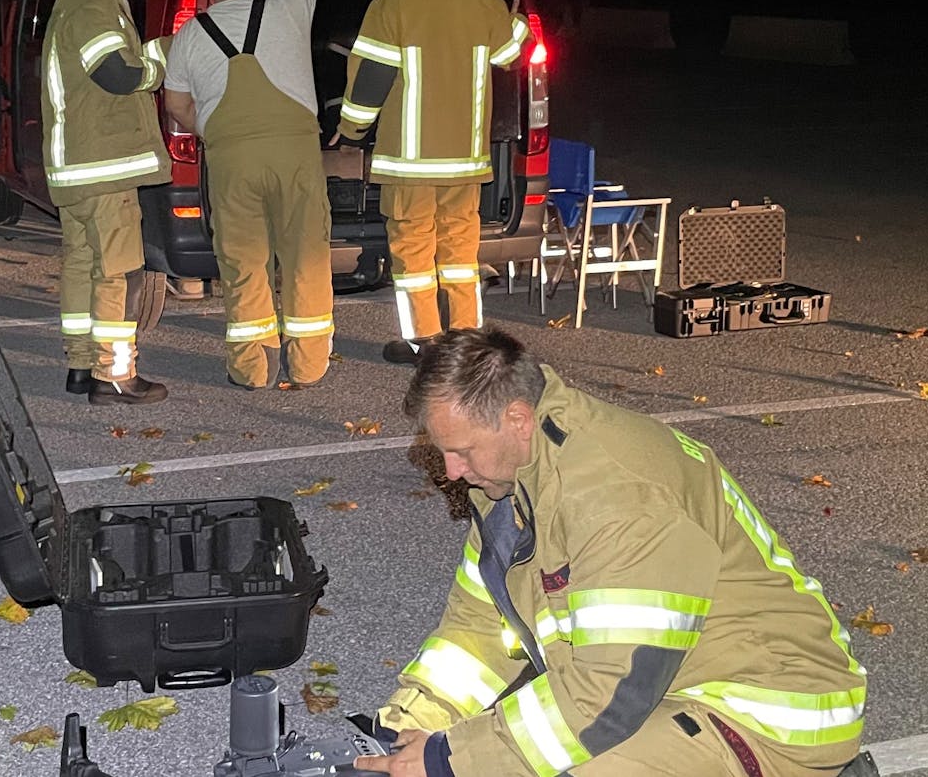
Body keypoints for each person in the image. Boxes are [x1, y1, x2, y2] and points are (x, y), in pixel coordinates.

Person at [355, 328, 868, 777]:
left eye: (461, 450)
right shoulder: (509, 484)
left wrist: (451, 759)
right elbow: (476, 630)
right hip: (662, 685)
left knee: (547, 762)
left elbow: (607, 692)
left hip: (769, 710)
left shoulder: (615, 497)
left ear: (516, 419)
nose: (450, 470)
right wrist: (406, 724)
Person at [334, 0, 530, 366]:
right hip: (465, 161)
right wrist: (515, 21)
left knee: (413, 251)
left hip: (409, 162)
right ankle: (467, 341)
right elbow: (510, 56)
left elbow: (372, 77)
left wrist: (350, 130)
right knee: (461, 253)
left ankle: (424, 341)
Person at [163, 0, 334, 389]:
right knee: (304, 256)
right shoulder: (285, 4)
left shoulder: (190, 36)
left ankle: (252, 368)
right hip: (293, 153)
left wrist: (213, 129)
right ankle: (308, 365)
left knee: (242, 262)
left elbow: (176, 105)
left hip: (231, 158)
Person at [41, 0, 172, 405]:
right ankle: (116, 375)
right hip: (104, 166)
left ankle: (81, 364)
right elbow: (118, 74)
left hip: (75, 170)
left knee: (83, 266)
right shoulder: (94, 6)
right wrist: (161, 63)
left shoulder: (69, 4)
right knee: (121, 272)